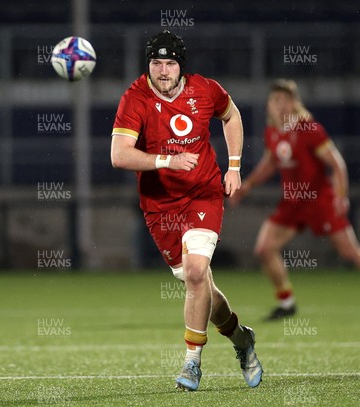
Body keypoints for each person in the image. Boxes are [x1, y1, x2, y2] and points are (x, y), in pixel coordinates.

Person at [110, 30, 262, 391]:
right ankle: (241, 339)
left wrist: (235, 166)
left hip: (203, 194)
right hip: (160, 206)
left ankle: (191, 363)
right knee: (200, 284)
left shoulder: (205, 89)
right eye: (156, 63)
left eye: (170, 63)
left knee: (196, 273)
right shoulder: (135, 98)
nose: (163, 71)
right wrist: (167, 160)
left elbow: (232, 115)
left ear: (182, 66)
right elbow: (119, 155)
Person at [230, 79, 360, 321]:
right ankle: (286, 303)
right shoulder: (273, 132)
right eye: (275, 100)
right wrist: (247, 186)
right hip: (293, 203)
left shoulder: (310, 130)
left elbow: (337, 165)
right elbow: (271, 163)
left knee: (351, 252)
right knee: (264, 249)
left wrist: (340, 196)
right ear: (269, 105)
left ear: (295, 104)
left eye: (285, 100)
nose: (280, 105)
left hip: (320, 201)